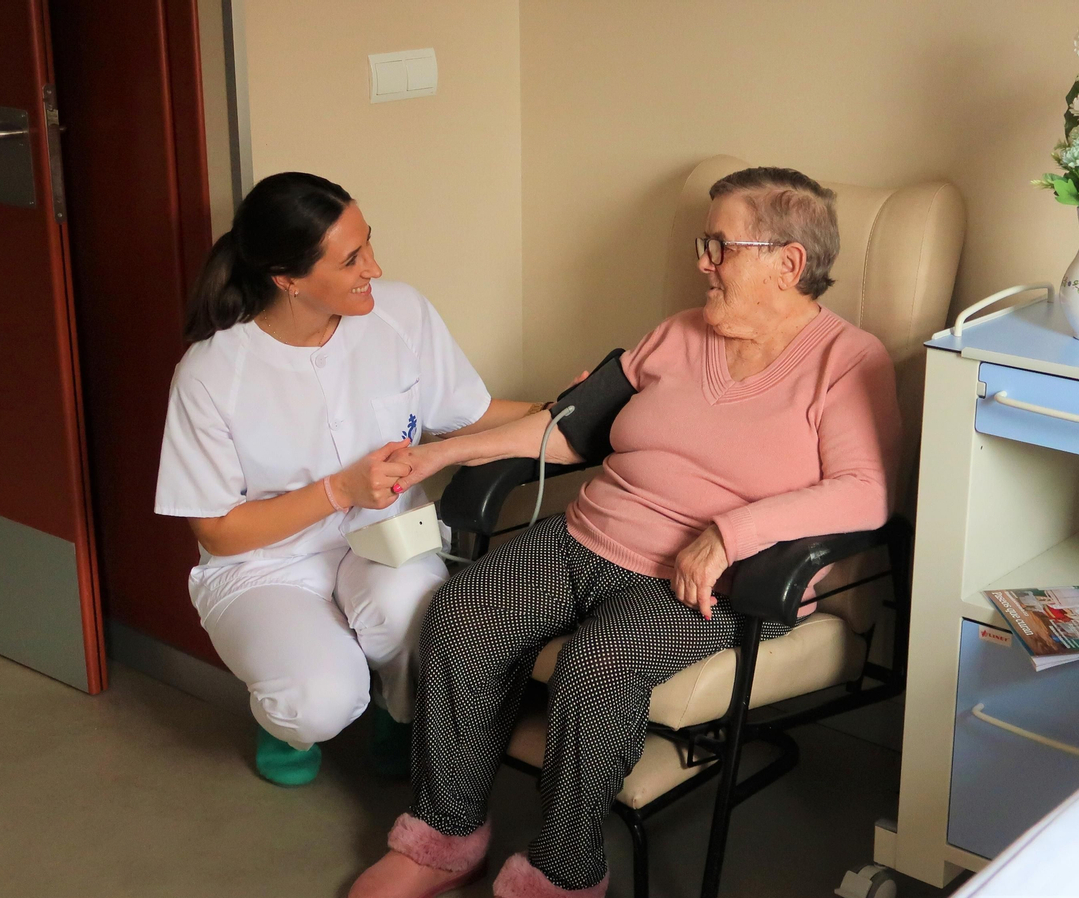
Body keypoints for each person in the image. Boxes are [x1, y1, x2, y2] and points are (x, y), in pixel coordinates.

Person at [348, 167, 901, 898]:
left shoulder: (847, 361)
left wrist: (730, 532)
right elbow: (567, 428)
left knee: (596, 667)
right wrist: (441, 453)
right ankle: (443, 838)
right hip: (588, 536)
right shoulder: (676, 334)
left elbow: (866, 493)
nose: (702, 261)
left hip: (711, 581)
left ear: (787, 264)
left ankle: (563, 874)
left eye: (721, 245)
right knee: (463, 613)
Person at [154, 172, 544, 786]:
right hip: (264, 564)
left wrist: (567, 409)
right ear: (288, 279)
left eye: (369, 244)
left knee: (423, 626)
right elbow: (218, 531)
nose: (375, 267)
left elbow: (467, 412)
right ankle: (289, 719)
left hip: (386, 534)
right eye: (352, 259)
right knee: (320, 698)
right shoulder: (211, 374)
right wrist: (339, 491)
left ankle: (398, 711)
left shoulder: (400, 313)